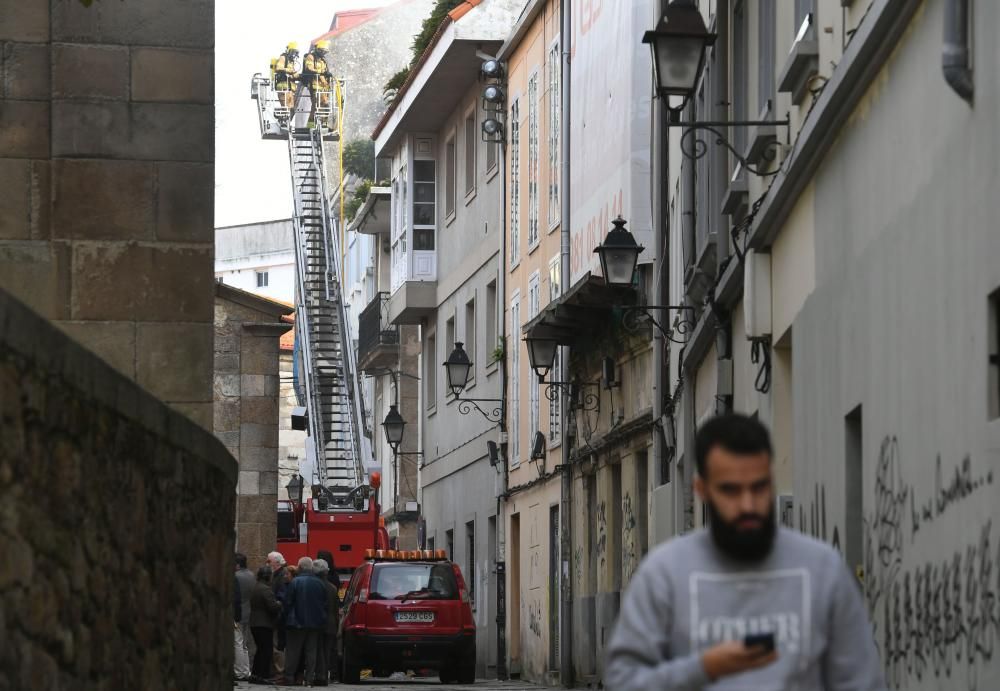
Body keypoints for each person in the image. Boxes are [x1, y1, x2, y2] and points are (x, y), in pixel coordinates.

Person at [605, 413, 885, 690]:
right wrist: (704, 668)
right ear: (702, 490)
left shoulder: (823, 570)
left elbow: (861, 682)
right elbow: (622, 682)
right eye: (731, 490)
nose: (748, 505)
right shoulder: (663, 575)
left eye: (759, 487)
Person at [280, 556, 328, 686]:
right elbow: (324, 604)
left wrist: (285, 618)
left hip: (296, 623)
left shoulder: (295, 582)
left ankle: (289, 677)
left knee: (293, 651)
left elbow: (288, 602)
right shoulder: (320, 583)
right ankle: (309, 679)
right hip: (315, 623)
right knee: (311, 651)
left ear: (299, 567)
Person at [249, 565, 281, 683]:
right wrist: (279, 603)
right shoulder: (266, 589)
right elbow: (272, 607)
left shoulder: (256, 587)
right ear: (268, 576)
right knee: (266, 650)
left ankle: (255, 674)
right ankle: (262, 675)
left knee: (260, 649)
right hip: (264, 623)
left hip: (254, 622)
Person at [315, 550, 342, 682]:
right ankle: (333, 675)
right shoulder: (334, 581)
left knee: (319, 648)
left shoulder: (317, 583)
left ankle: (320, 674)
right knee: (331, 649)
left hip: (319, 620)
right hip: (331, 620)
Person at [267, 551, 289, 680]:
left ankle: (280, 672)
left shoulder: (281, 575)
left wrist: (275, 604)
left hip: (279, 616)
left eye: (269, 561)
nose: (267, 563)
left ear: (276, 562)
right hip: (277, 615)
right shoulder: (277, 574)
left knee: (278, 645)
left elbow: (282, 596)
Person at [300, 40, 332, 128]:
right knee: (318, 105)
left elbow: (325, 72)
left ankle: (323, 123)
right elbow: (309, 68)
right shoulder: (311, 57)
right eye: (322, 51)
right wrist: (322, 72)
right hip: (314, 85)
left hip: (323, 87)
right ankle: (311, 125)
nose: (323, 53)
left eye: (325, 51)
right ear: (318, 50)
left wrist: (327, 76)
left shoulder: (323, 60)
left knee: (324, 105)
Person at [235, 553, 256, 663]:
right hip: (249, 612)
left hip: (238, 613)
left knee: (237, 643)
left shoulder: (236, 576)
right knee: (244, 643)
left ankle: (240, 670)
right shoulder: (252, 575)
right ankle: (246, 666)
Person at [274, 42, 299, 110]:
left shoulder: (291, 62)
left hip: (289, 88)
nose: (294, 54)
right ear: (289, 51)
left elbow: (292, 74)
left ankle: (285, 118)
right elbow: (278, 67)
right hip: (284, 86)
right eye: (293, 52)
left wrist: (298, 76)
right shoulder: (283, 57)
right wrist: (288, 70)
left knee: (289, 108)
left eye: (295, 52)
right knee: (287, 108)